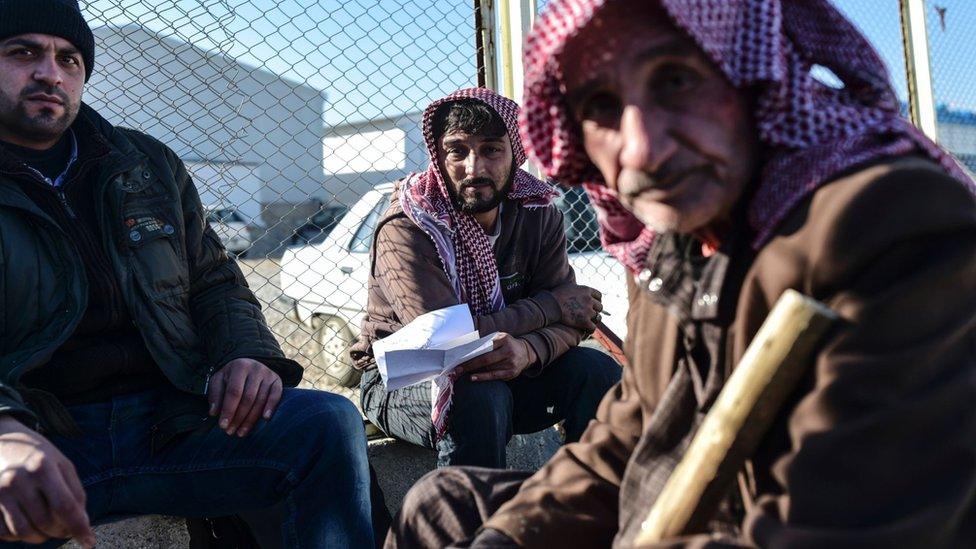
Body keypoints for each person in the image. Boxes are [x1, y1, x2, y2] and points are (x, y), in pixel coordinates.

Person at [388, 0, 976, 547]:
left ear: (753, 77)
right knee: (445, 503)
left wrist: (541, 333)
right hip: (660, 508)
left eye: (676, 81)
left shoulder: (887, 224)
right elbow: (626, 441)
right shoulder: (674, 249)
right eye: (601, 107)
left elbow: (838, 525)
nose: (642, 149)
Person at [0, 1, 373, 547]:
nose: (50, 72)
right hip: (40, 435)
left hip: (172, 424)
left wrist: (244, 354)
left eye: (70, 58)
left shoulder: (144, 164)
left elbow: (215, 279)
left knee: (327, 422)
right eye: (23, 52)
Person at [351, 87, 621, 468]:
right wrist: (548, 307)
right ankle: (469, 520)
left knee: (598, 371)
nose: (473, 168)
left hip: (513, 367)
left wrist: (531, 350)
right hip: (403, 383)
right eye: (457, 151)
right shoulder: (408, 226)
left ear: (515, 155)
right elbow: (446, 343)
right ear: (438, 156)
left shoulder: (537, 214)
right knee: (477, 392)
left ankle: (585, 506)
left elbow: (574, 318)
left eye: (492, 149)